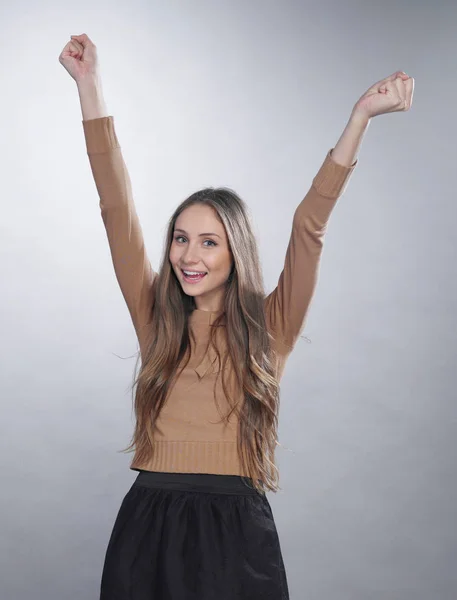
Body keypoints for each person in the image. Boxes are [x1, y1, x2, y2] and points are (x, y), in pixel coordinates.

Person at [59, 32, 414, 600]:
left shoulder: (270, 327)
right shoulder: (156, 318)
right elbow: (115, 207)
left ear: (235, 252)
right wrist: (89, 86)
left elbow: (309, 228)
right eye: (180, 239)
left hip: (236, 528)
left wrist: (361, 118)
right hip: (149, 521)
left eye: (208, 242)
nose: (189, 256)